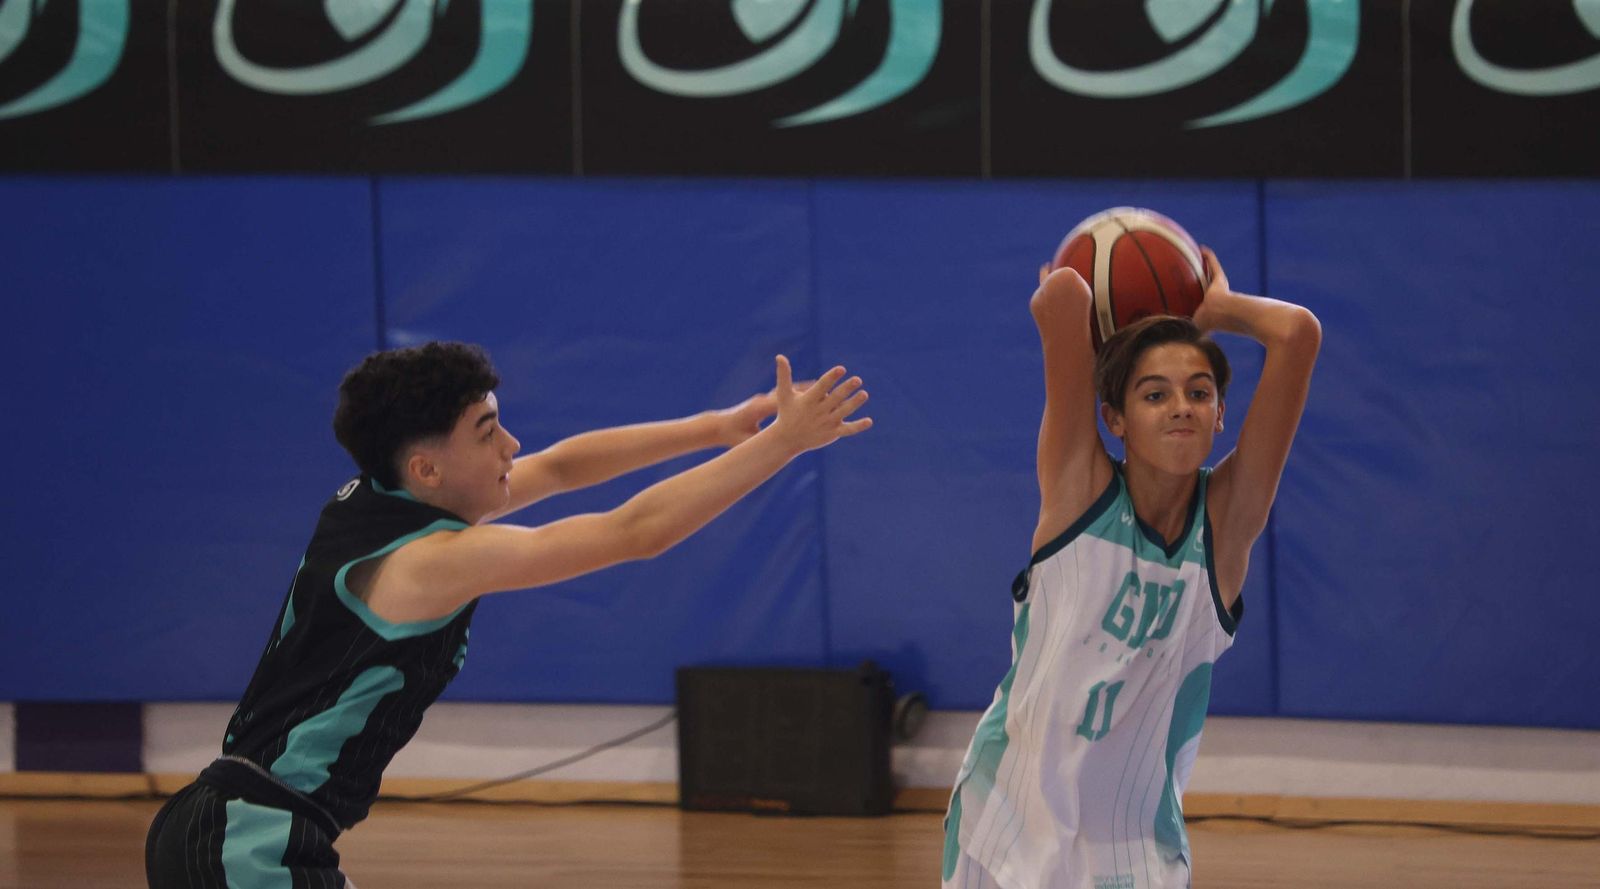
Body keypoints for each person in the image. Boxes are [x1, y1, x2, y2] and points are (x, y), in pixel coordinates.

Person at [145, 341, 871, 887]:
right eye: (486, 431)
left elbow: (558, 468)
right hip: (248, 839)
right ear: (428, 468)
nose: (511, 446)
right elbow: (633, 533)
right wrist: (784, 443)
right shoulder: (426, 564)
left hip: (233, 826)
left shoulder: (377, 497)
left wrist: (718, 426)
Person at [942, 251, 1321, 889]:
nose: (1182, 407)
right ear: (1114, 419)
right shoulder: (1079, 491)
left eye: (1200, 393)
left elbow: (1297, 335)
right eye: (1155, 393)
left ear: (1220, 414)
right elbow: (1064, 291)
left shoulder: (1223, 531)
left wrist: (1217, 310)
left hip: (1134, 847)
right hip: (1007, 820)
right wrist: (1097, 295)